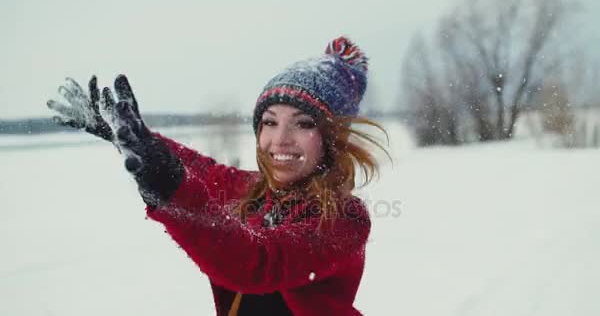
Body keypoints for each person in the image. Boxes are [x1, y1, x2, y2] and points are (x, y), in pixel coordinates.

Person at [47, 36, 390, 315]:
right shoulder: (255, 190)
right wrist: (134, 138)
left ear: (330, 139)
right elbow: (203, 170)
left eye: (303, 123)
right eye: (269, 121)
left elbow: (258, 263)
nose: (280, 139)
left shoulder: (344, 218)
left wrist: (170, 187)